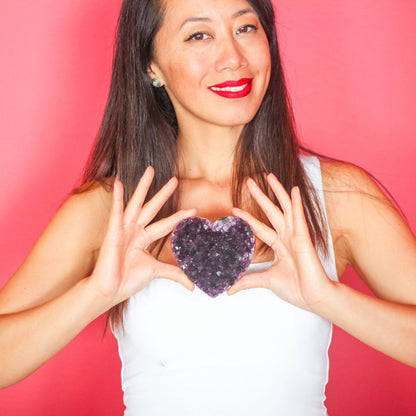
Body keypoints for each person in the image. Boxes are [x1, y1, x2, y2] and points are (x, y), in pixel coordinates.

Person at [0, 0, 415, 414]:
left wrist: (328, 298)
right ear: (151, 66)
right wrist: (95, 294)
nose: (233, 57)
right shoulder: (112, 211)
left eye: (246, 28)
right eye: (199, 35)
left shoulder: (337, 196)